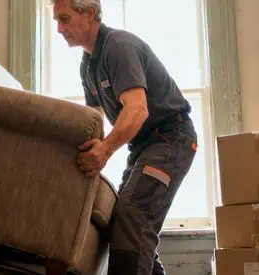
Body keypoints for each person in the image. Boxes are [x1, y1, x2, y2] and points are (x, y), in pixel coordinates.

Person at [50, 0, 198, 274]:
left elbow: (137, 109)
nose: (59, 28)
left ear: (90, 14)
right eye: (57, 21)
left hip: (170, 138)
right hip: (143, 146)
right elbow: (92, 121)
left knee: (133, 218)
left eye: (65, 19)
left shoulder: (118, 47)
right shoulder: (88, 66)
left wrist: (104, 151)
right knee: (124, 223)